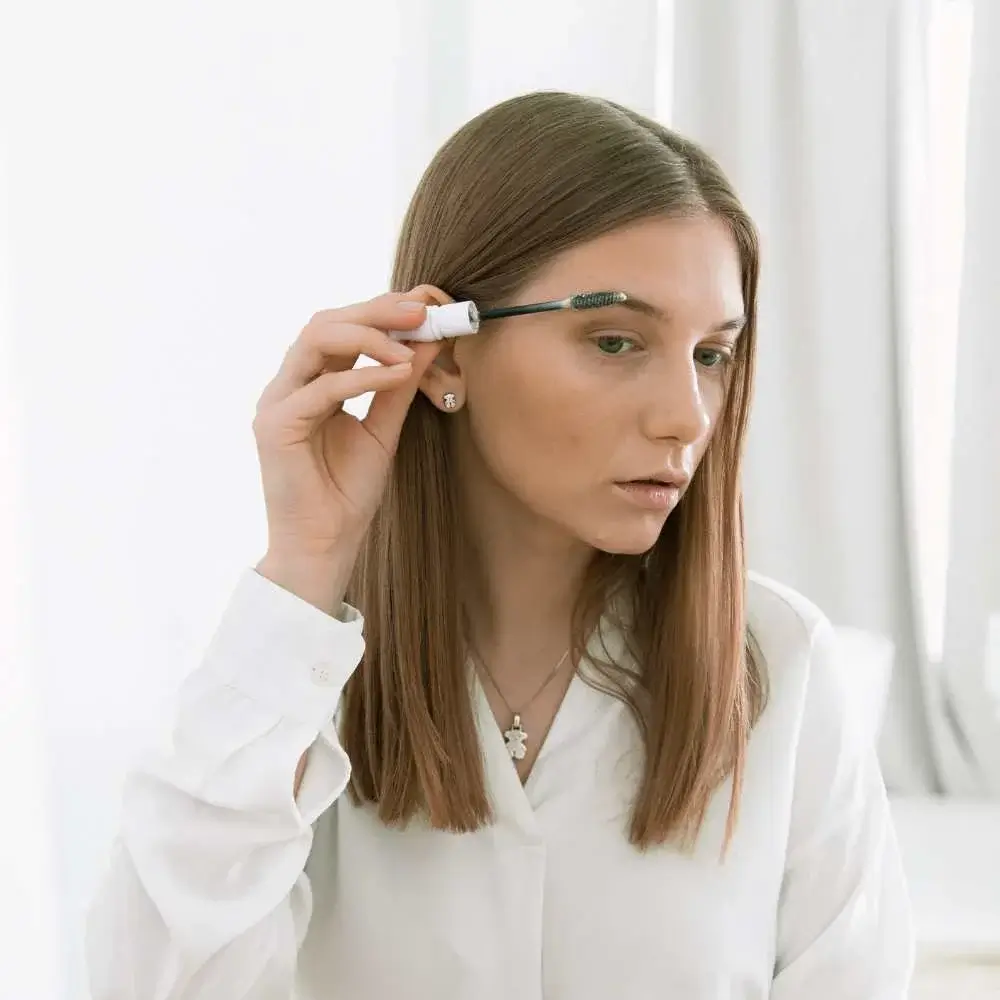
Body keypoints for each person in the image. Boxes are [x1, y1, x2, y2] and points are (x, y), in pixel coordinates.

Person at [85, 90, 914, 999]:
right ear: (443, 354)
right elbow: (155, 981)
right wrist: (303, 567)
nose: (687, 415)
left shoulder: (780, 665)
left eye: (712, 355)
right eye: (613, 340)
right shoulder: (289, 675)